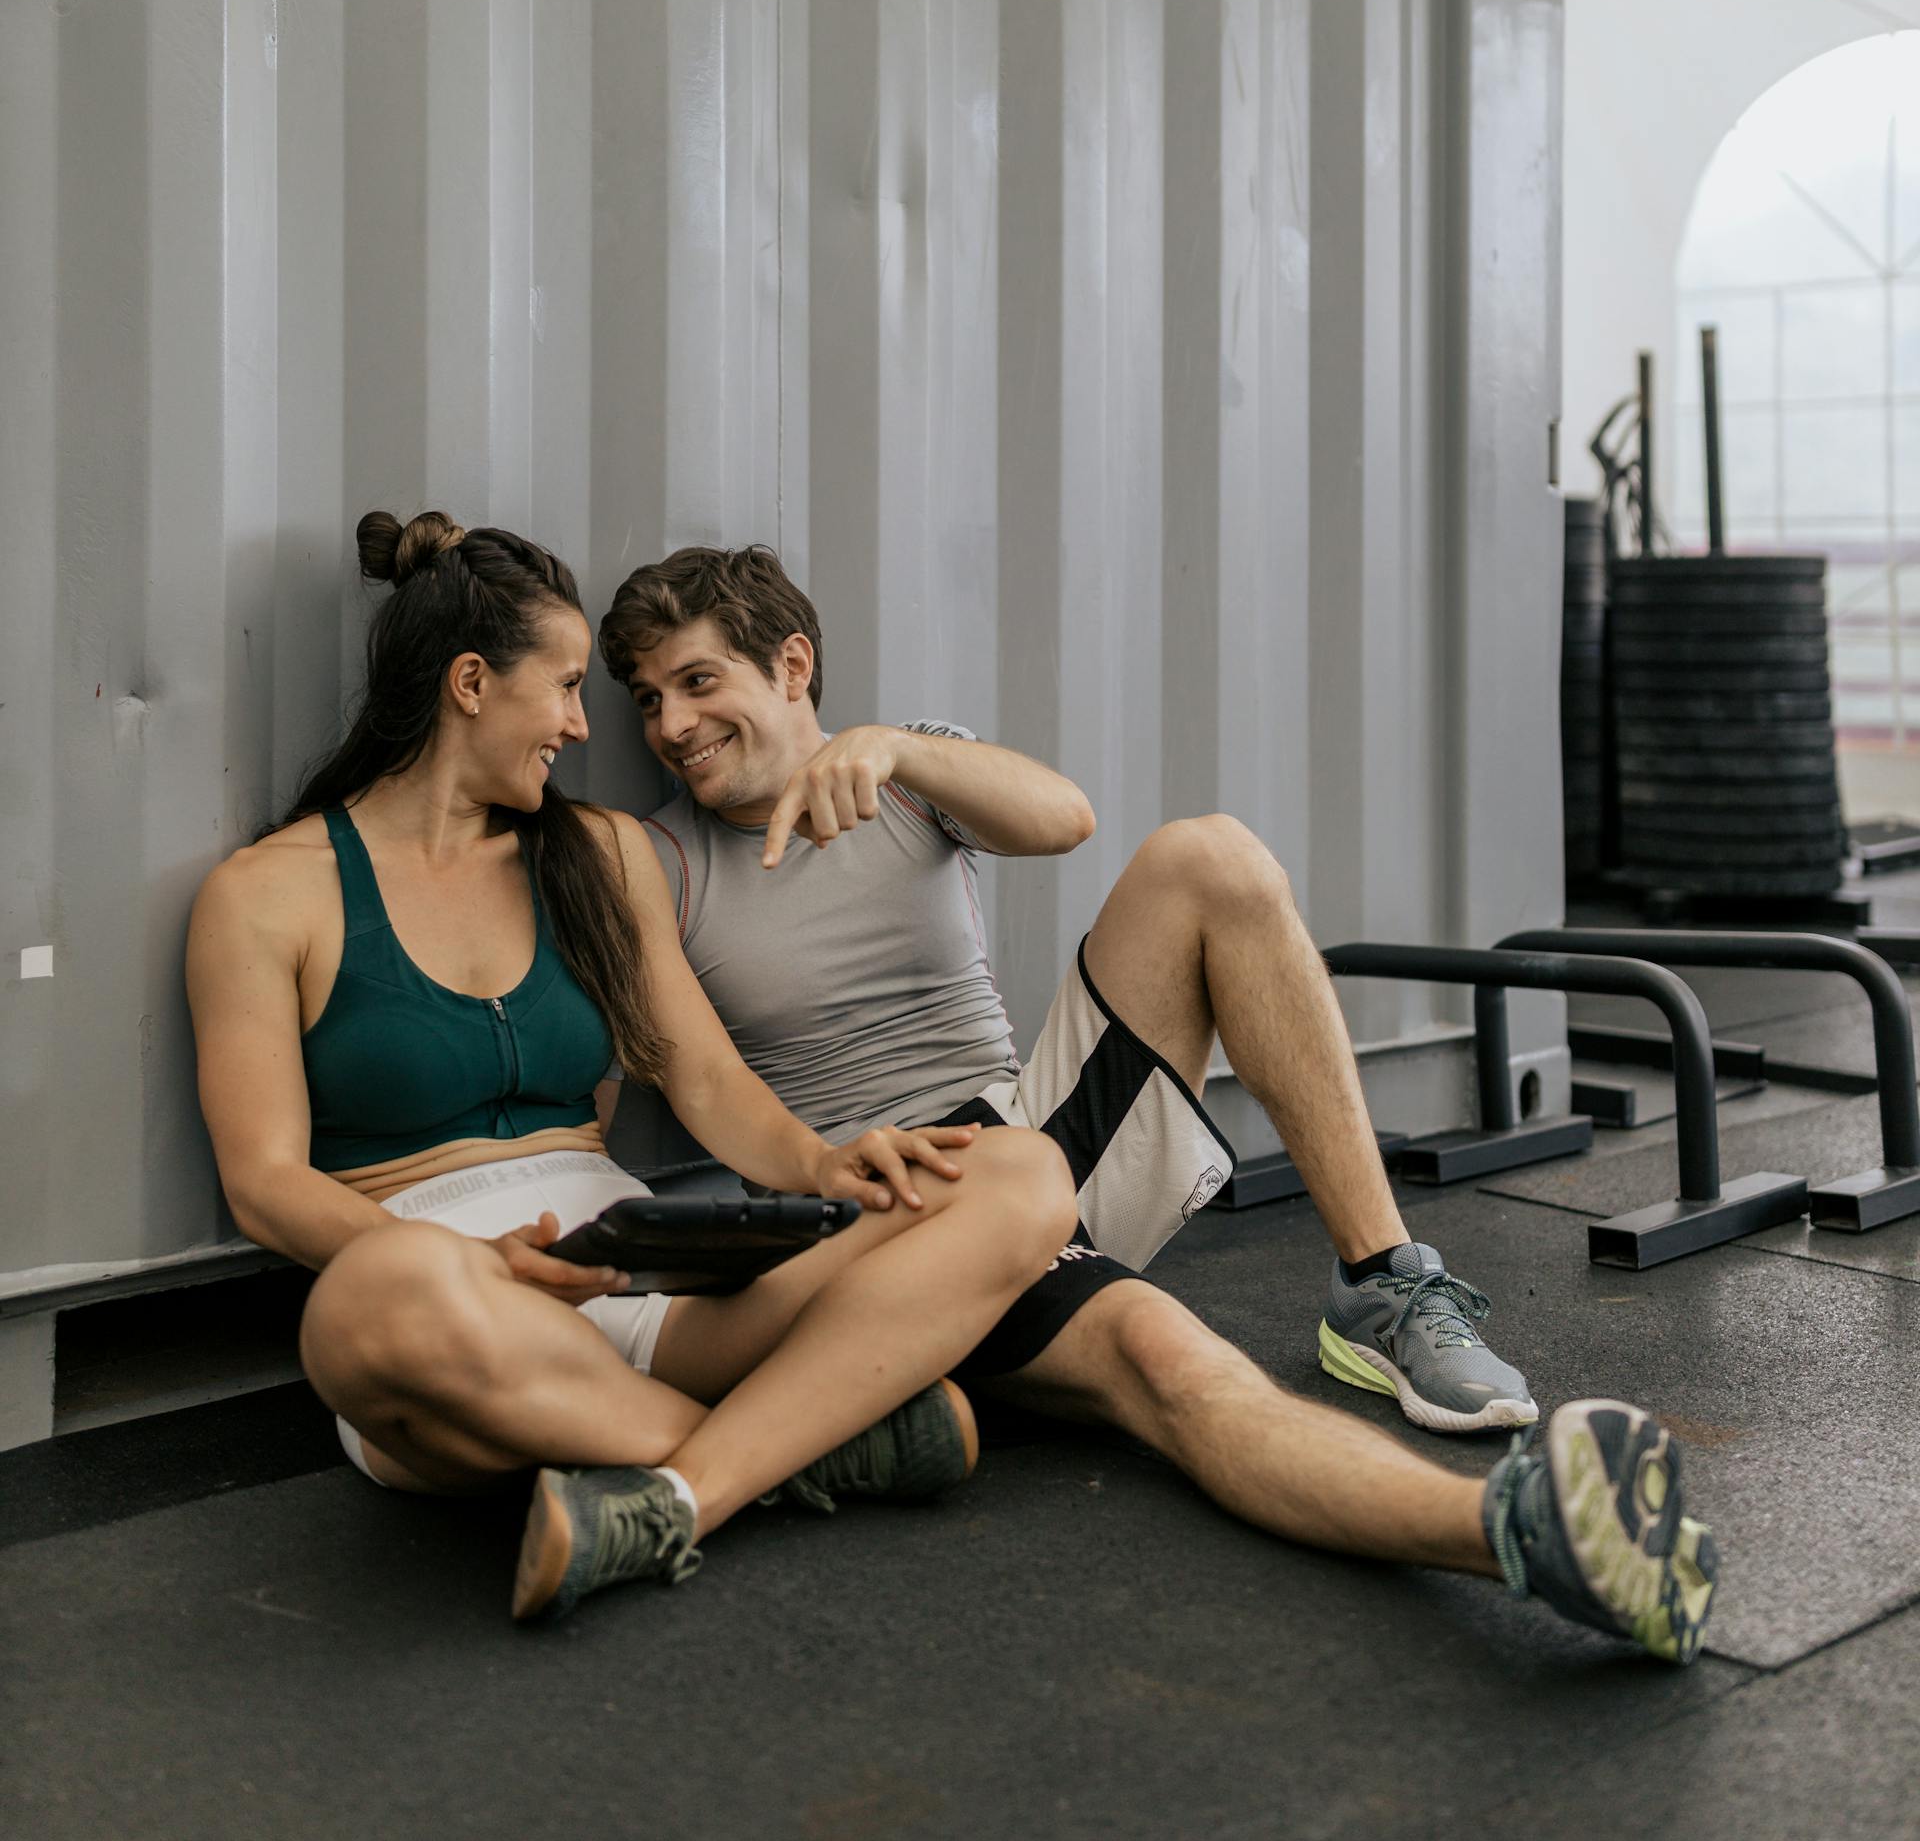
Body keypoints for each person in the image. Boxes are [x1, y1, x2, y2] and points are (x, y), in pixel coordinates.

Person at [596, 543, 1722, 1665]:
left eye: (698, 682)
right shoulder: (659, 858)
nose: (671, 725)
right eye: (648, 700)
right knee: (1168, 1363)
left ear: (793, 665)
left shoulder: (903, 775)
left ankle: (1383, 1287)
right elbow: (698, 1080)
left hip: (1028, 1139)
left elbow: (1063, 817)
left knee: (1213, 857)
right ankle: (1523, 1531)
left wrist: (896, 749)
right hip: (888, 1222)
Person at [186, 511, 1078, 1626]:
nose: (578, 723)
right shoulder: (267, 894)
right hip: (455, 1318)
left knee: (1020, 1174)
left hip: (647, 1295)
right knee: (368, 1306)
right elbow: (265, 1183)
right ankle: (808, 1444)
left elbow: (702, 1080)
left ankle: (681, 1495)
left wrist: (827, 1163)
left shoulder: (598, 855)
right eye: (564, 689)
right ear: (470, 683)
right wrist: (480, 1264)